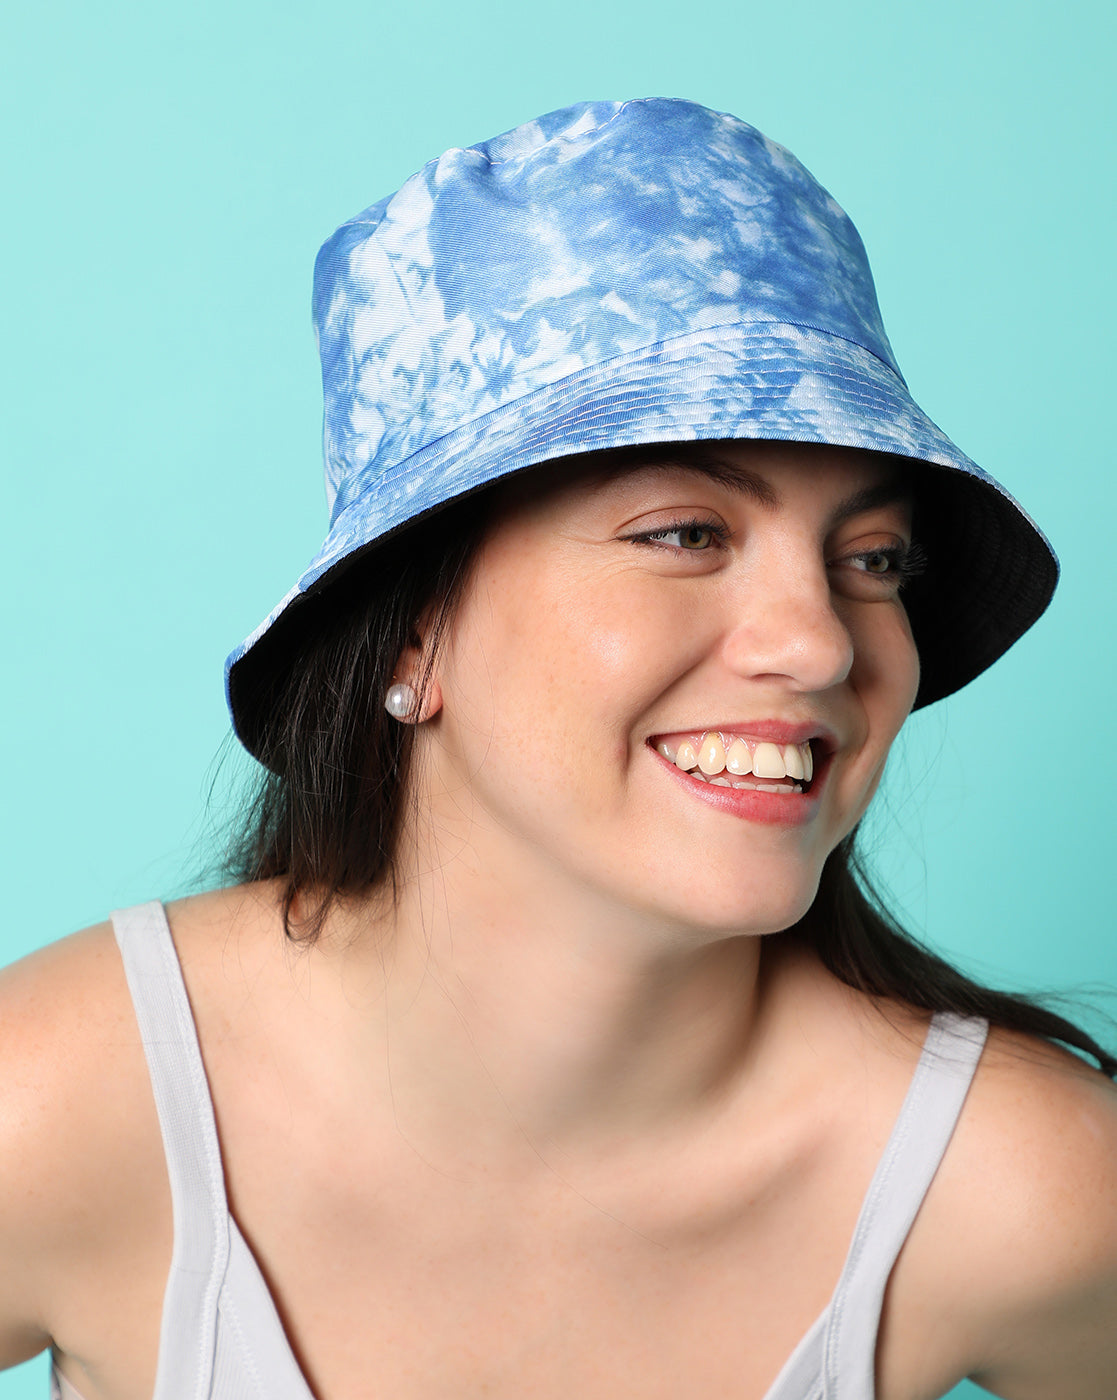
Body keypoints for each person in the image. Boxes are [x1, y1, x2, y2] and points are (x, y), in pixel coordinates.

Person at [2, 97, 1115, 1400]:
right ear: (410, 633)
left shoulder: (1015, 1192)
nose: (818, 644)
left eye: (871, 560)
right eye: (683, 532)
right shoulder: (67, 1103)